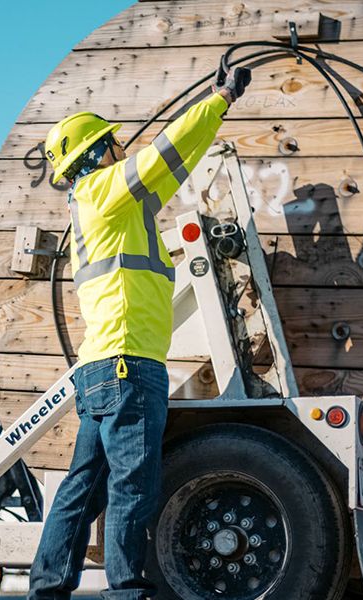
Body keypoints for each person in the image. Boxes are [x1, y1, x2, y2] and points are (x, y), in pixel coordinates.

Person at [28, 67, 252, 600]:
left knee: (81, 492)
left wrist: (208, 117)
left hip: (103, 368)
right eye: (111, 144)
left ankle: (47, 590)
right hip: (128, 366)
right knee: (133, 486)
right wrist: (220, 98)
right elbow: (165, 153)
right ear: (97, 153)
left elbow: (175, 164)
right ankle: (126, 590)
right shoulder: (105, 191)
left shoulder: (108, 206)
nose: (119, 150)